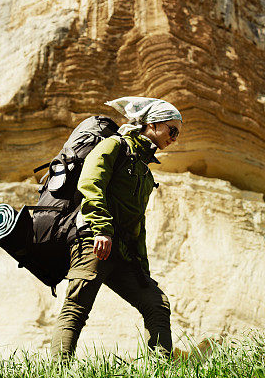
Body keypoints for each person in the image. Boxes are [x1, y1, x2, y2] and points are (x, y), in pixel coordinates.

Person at [50, 96, 182, 361]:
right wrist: (101, 229)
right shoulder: (114, 146)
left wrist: (141, 268)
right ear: (154, 124)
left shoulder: (144, 169)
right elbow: (90, 183)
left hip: (122, 252)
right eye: (173, 129)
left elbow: (137, 224)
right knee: (77, 307)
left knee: (156, 303)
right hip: (94, 241)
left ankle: (164, 371)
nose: (175, 138)